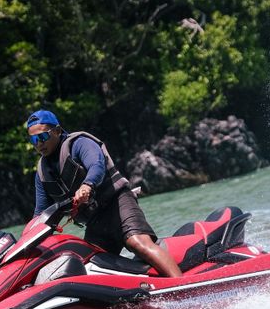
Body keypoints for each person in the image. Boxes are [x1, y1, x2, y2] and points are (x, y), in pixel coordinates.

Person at [25, 109, 182, 277]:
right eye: (33, 140)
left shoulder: (79, 143)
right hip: (95, 222)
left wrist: (87, 185)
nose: (38, 144)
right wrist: (27, 240)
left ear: (56, 131)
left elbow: (97, 165)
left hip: (118, 203)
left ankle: (183, 286)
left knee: (138, 243)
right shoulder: (42, 173)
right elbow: (40, 214)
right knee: (89, 266)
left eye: (42, 137)